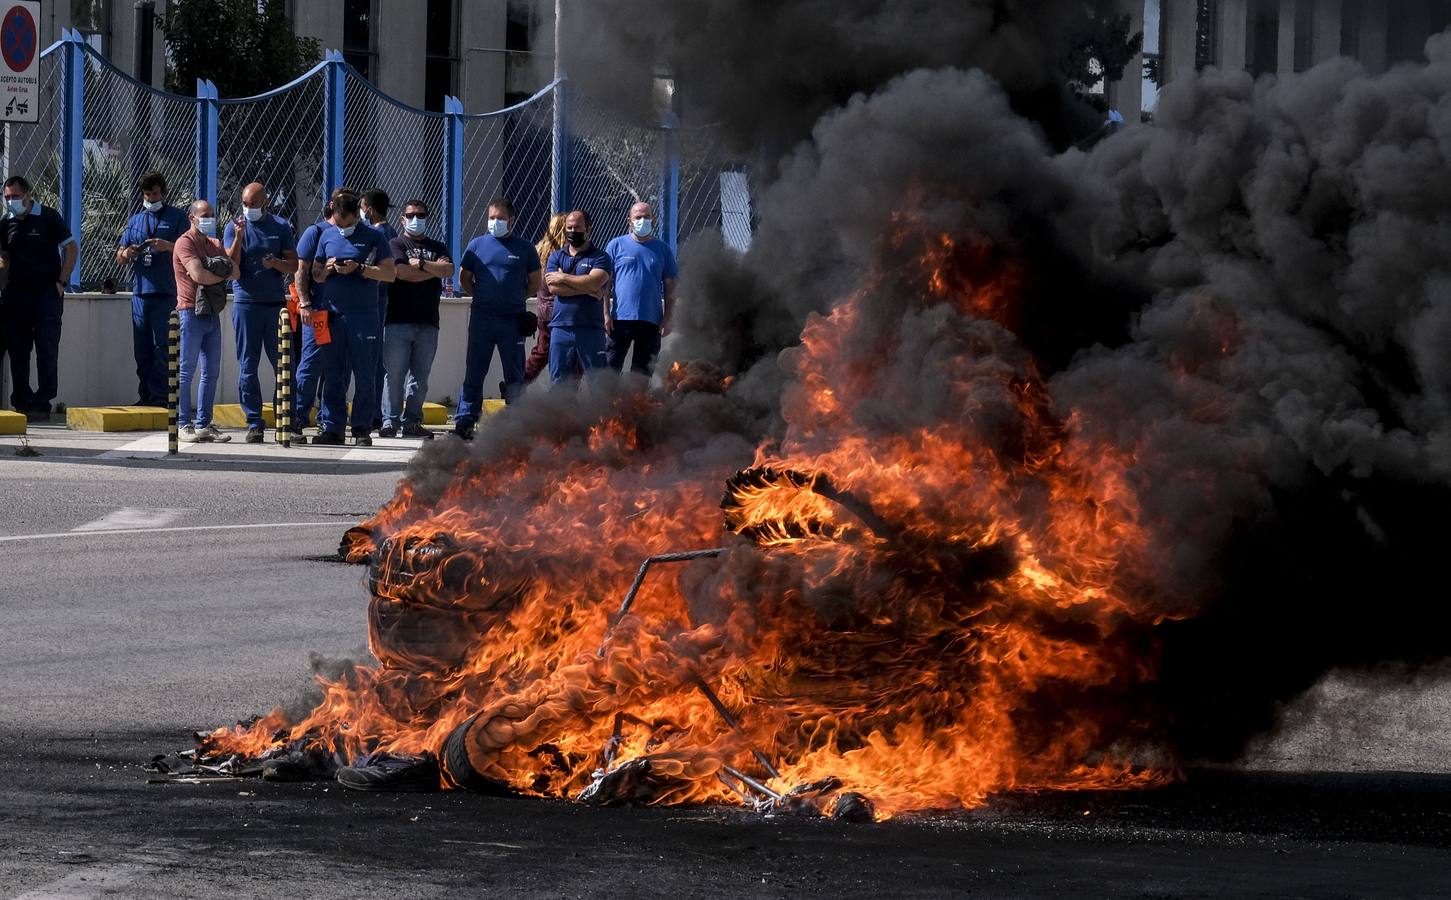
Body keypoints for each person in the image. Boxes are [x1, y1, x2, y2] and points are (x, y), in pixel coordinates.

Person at [308, 191, 395, 446]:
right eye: (339, 223)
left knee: (365, 374)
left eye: (348, 224)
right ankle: (332, 428)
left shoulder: (374, 237)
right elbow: (316, 274)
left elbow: (389, 273)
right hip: (334, 315)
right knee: (333, 374)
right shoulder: (326, 235)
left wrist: (360, 269)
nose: (343, 229)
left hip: (364, 317)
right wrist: (327, 269)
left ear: (358, 216)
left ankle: (361, 428)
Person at [452, 197, 540, 440]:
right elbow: (465, 278)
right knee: (475, 371)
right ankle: (466, 420)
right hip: (482, 318)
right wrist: (481, 296)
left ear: (511, 220)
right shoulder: (477, 245)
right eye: (492, 218)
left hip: (512, 320)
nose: (495, 222)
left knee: (514, 373)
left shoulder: (525, 248)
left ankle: (517, 422)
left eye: (500, 218)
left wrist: (515, 298)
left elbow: (535, 282)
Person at [223, 182, 298, 443]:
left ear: (264, 202)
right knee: (248, 365)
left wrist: (276, 263)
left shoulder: (280, 226)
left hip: (274, 305)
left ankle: (285, 419)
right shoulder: (234, 227)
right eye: (245, 203)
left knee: (284, 365)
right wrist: (240, 237)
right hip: (246, 304)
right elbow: (228, 265)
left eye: (254, 203)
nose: (248, 208)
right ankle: (254, 422)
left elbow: (294, 263)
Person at [0, 175, 77, 421]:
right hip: (17, 294)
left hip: (47, 294)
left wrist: (62, 282)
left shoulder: (49, 217)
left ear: (28, 195)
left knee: (46, 347)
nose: (11, 201)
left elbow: (71, 248)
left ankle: (43, 401)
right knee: (18, 349)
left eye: (15, 196)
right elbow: (4, 256)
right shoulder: (6, 222)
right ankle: (22, 400)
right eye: (7, 197)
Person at [115, 170, 188, 407]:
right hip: (140, 292)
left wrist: (168, 246)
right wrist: (129, 252)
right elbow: (120, 256)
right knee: (142, 348)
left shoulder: (177, 217)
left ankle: (161, 395)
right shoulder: (135, 220)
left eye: (155, 194)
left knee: (163, 346)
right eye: (147, 195)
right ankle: (145, 394)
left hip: (166, 291)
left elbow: (189, 248)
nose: (151, 199)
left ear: (163, 193)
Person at [381, 199, 453, 439]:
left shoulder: (438, 246)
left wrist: (421, 264)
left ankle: (412, 422)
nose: (416, 219)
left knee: (419, 378)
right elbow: (402, 273)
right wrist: (432, 272)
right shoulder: (395, 244)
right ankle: (390, 421)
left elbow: (449, 271)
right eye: (411, 215)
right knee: (394, 376)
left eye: (420, 215)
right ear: (402, 219)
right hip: (398, 321)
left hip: (428, 322)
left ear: (427, 218)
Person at [173, 200, 238, 443]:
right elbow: (198, 274)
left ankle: (204, 423)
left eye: (211, 214)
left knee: (211, 372)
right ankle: (183, 423)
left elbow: (236, 271)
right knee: (186, 370)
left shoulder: (214, 244)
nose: (208, 219)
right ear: (192, 217)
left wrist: (220, 270)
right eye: (203, 215)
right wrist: (220, 275)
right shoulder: (184, 242)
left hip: (212, 312)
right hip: (191, 312)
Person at [292, 190, 352, 443]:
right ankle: (296, 418)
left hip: (343, 314)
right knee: (311, 367)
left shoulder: (353, 235)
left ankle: (331, 424)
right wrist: (305, 304)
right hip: (318, 311)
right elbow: (301, 271)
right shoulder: (315, 233)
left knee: (337, 370)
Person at [605, 201, 677, 377]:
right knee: (610, 370)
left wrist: (668, 318)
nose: (642, 221)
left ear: (654, 219)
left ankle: (636, 404)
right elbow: (604, 284)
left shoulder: (663, 250)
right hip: (619, 319)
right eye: (638, 217)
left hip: (651, 321)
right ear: (629, 220)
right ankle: (607, 404)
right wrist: (605, 314)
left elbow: (671, 287)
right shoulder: (616, 245)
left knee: (642, 374)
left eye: (646, 217)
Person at [543, 209, 613, 388]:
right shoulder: (556, 256)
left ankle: (599, 417)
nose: (573, 232)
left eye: (578, 227)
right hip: (561, 328)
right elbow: (553, 287)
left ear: (588, 229)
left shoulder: (601, 257)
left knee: (598, 383)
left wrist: (564, 277)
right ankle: (560, 416)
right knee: (559, 383)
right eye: (569, 227)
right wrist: (587, 287)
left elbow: (594, 282)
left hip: (590, 328)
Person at [361, 188, 396, 430]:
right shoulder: (392, 232)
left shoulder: (375, 235)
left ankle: (373, 413)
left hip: (373, 303)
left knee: (372, 362)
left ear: (369, 210)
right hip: (385, 303)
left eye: (362, 209)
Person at [524, 213, 566, 384]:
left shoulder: (539, 250)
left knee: (542, 351)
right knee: (562, 353)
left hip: (543, 310)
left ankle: (521, 379)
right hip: (559, 311)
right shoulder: (561, 255)